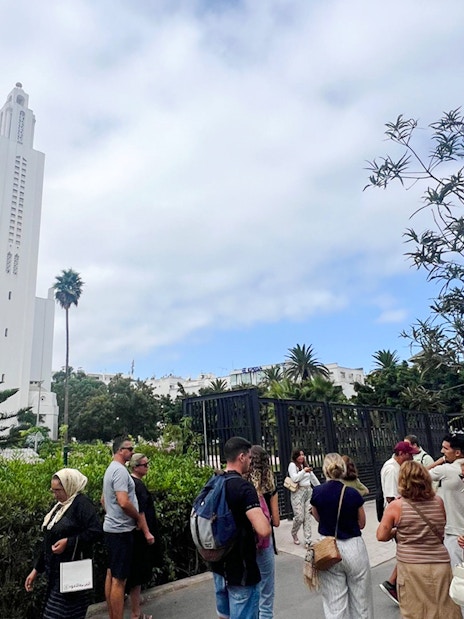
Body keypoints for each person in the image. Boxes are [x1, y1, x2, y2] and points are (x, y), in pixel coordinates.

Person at [376, 460, 461, 618]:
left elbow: (381, 535)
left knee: (415, 610)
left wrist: (396, 532)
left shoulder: (396, 506)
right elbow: (440, 528)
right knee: (445, 610)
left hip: (411, 566)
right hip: (440, 563)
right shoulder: (438, 502)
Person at [24, 468, 102, 619]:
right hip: (55, 574)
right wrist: (36, 570)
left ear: (69, 486)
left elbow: (96, 531)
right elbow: (48, 540)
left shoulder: (81, 505)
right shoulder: (59, 507)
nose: (55, 495)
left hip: (73, 574)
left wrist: (69, 542)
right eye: (53, 491)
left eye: (58, 490)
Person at [210, 436, 271, 619]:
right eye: (250, 458)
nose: (251, 462)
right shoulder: (244, 488)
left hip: (218, 565)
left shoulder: (213, 482)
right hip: (241, 569)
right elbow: (263, 530)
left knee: (224, 615)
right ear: (242, 457)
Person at [310, 452, 373, 619]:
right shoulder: (352, 493)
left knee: (334, 603)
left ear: (325, 470)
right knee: (361, 601)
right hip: (354, 546)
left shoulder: (317, 493)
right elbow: (362, 523)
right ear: (343, 469)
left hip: (328, 547)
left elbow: (317, 517)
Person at [102, 437, 143, 619]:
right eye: (129, 448)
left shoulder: (111, 469)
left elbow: (104, 500)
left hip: (112, 529)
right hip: (121, 531)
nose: (132, 451)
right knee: (119, 580)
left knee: (112, 575)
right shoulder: (119, 471)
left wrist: (111, 514)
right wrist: (138, 518)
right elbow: (124, 502)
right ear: (120, 450)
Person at [378, 440, 419, 605]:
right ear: (401, 454)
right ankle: (394, 583)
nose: (411, 458)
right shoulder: (391, 469)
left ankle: (397, 584)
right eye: (409, 455)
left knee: (408, 552)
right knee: (408, 552)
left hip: (401, 514)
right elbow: (390, 496)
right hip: (398, 516)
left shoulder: (398, 467)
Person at [428, 432, 464, 617]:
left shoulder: (447, 470)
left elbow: (420, 474)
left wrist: (440, 461)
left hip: (455, 535)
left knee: (460, 582)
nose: (442, 452)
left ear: (457, 452)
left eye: (445, 449)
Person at [244, 445, 280, 619]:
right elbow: (277, 521)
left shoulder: (243, 484)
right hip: (265, 542)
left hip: (246, 542)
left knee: (251, 589)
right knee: (266, 591)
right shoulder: (270, 486)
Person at [127, 453, 158, 619]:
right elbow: (140, 511)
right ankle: (136, 612)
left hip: (136, 532)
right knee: (138, 573)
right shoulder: (137, 485)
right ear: (135, 467)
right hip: (140, 534)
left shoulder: (131, 483)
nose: (147, 467)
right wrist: (146, 531)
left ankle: (135, 606)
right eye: (144, 465)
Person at [287, 448, 320, 547]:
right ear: (295, 456)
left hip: (308, 491)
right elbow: (295, 478)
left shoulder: (305, 466)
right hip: (298, 492)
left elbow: (313, 478)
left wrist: (319, 488)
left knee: (307, 517)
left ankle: (308, 540)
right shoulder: (292, 465)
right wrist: (303, 471)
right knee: (299, 517)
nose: (302, 457)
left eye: (303, 455)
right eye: (299, 455)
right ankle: (294, 532)